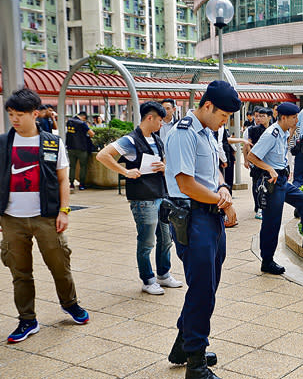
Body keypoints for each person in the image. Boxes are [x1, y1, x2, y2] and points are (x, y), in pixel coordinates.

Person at [0, 88, 89, 343]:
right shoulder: (3, 142)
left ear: (34, 114)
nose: (14, 119)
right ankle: (27, 320)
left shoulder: (51, 141)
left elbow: (63, 180)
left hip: (47, 217)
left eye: (19, 114)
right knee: (20, 272)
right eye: (11, 114)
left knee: (60, 265)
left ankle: (70, 304)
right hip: (11, 218)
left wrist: (64, 211)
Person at [164, 80, 240, 378]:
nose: (225, 121)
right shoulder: (184, 133)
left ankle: (184, 345)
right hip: (193, 218)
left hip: (210, 218)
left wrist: (223, 188)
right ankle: (195, 362)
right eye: (223, 115)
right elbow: (185, 184)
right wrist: (225, 205)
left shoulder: (207, 132)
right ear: (207, 105)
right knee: (202, 290)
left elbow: (215, 170)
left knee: (207, 287)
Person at [96, 101, 182, 296]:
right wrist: (125, 171)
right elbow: (103, 155)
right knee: (147, 241)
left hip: (160, 194)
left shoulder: (157, 139)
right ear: (149, 118)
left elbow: (165, 161)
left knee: (166, 238)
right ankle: (148, 279)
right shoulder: (130, 140)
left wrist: (164, 166)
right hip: (143, 198)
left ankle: (163, 274)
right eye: (160, 120)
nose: (162, 124)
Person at [248, 102, 303, 275]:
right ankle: (267, 261)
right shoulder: (272, 133)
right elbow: (251, 156)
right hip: (272, 182)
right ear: (283, 117)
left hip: (283, 181)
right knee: (272, 222)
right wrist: (269, 168)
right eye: (294, 117)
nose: (297, 120)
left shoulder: (283, 132)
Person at [243, 108, 269, 219]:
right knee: (256, 183)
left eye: (262, 116)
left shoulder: (272, 129)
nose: (258, 118)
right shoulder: (252, 129)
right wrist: (246, 159)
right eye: (257, 116)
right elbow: (246, 144)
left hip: (267, 161)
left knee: (264, 183)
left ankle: (263, 205)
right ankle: (258, 206)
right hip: (255, 160)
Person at [66, 111, 95, 190]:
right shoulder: (82, 123)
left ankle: (71, 184)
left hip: (70, 148)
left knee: (72, 167)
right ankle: (81, 184)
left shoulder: (69, 121)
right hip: (81, 148)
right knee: (83, 167)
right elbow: (92, 134)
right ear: (84, 117)